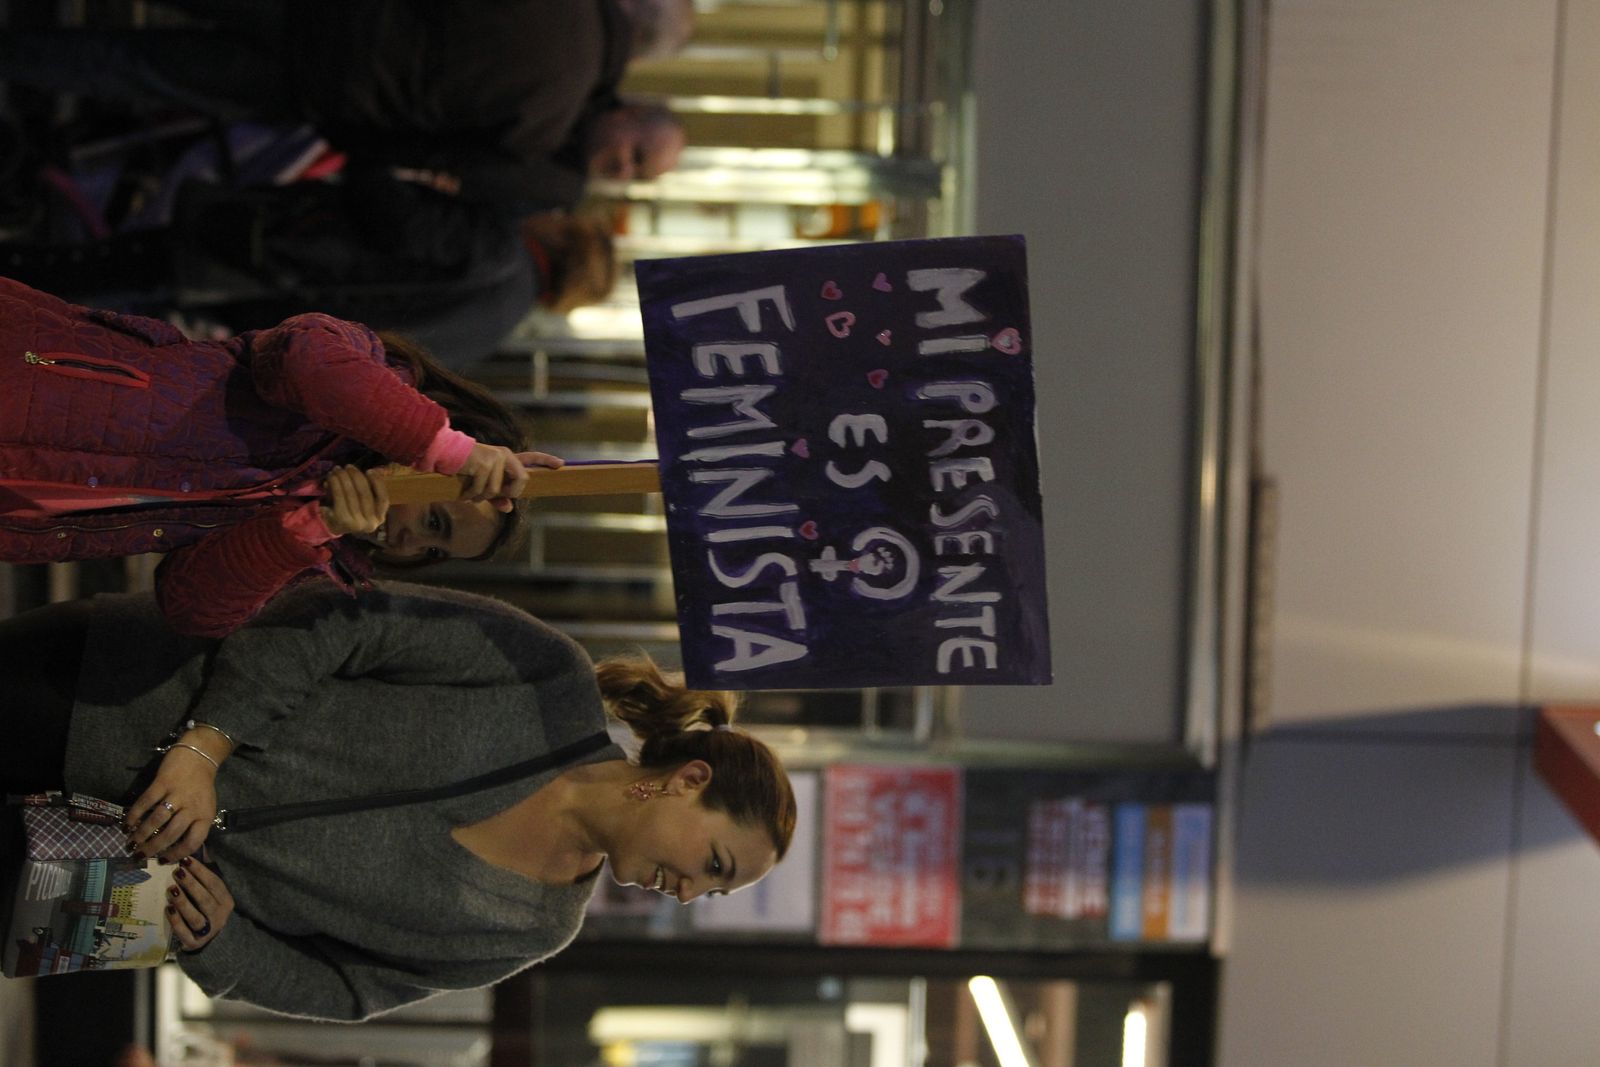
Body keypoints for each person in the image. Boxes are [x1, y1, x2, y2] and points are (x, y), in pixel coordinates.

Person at [0, 578, 797, 1022]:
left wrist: (219, 943)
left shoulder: (535, 925)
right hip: (116, 697)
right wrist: (208, 745)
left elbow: (350, 988)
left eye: (710, 890)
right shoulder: (545, 676)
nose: (688, 891)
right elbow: (337, 616)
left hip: (121, 887)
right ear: (689, 780)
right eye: (713, 862)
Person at [0, 274, 561, 635]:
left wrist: (307, 528)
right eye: (434, 521)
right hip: (29, 378)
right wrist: (445, 448)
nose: (409, 544)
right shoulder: (372, 369)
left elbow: (192, 606)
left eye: (434, 550)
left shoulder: (321, 556)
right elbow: (303, 357)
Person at [0, 0, 693, 209]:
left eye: (633, 172)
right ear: (631, 109)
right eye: (635, 154)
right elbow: (417, 152)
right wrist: (343, 131)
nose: (619, 167)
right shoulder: (535, 139)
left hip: (335, 17)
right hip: (318, 89)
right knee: (130, 66)